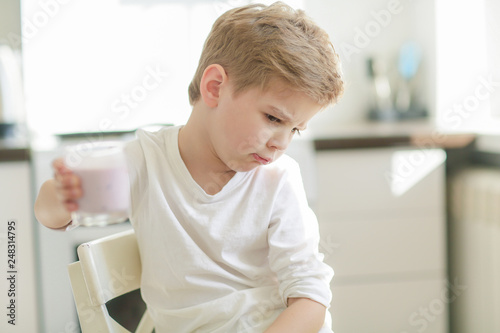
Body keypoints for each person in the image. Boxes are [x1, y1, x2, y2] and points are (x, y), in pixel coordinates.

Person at [34, 2, 344, 332]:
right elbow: (52, 215)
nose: (281, 143)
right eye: (273, 118)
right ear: (215, 87)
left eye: (294, 129)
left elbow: (311, 298)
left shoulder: (278, 180)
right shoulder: (145, 162)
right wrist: (63, 194)